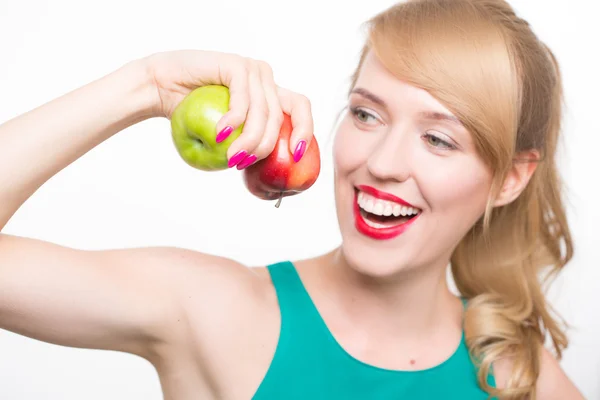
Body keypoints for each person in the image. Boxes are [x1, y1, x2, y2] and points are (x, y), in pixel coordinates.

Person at [0, 0, 586, 399]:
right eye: (365, 114)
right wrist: (146, 86)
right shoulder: (216, 311)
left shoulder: (518, 376)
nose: (379, 163)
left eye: (437, 138)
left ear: (511, 178)